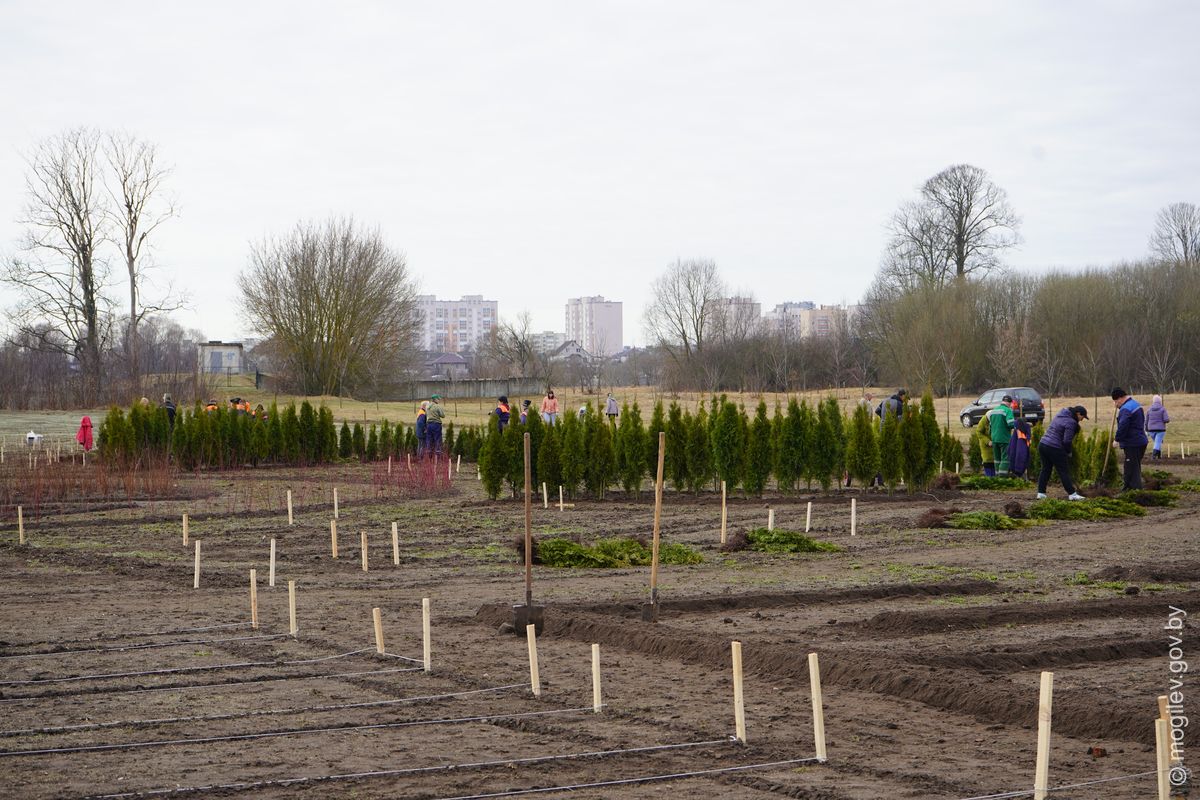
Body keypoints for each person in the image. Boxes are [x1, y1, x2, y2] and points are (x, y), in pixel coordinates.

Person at [1036, 405, 1088, 500]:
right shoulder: (1071, 422)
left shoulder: (1061, 414)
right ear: (1078, 414)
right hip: (1054, 447)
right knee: (1063, 471)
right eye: (1082, 417)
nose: (1082, 420)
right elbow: (1067, 441)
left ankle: (1041, 493)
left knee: (1045, 469)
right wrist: (1068, 452)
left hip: (1043, 444)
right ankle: (1072, 494)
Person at [1111, 387, 1148, 490]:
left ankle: (1132, 490)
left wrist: (1116, 439)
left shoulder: (1126, 409)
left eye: (1115, 401)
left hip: (1133, 442)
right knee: (1134, 466)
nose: (1115, 404)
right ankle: (1130, 488)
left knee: (1130, 468)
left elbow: (1123, 426)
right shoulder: (1135, 404)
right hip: (1140, 441)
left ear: (1119, 398)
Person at [987, 395, 1018, 475]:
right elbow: (1010, 424)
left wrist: (992, 436)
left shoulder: (994, 410)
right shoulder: (1008, 410)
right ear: (1009, 403)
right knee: (1005, 458)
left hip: (994, 438)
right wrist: (1016, 425)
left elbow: (990, 426)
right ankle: (1002, 477)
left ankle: (997, 476)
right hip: (1004, 438)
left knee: (997, 459)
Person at [1145, 394, 1170, 459]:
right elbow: (1166, 419)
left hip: (1151, 430)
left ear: (1153, 401)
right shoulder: (1162, 409)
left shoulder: (1149, 409)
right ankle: (1153, 456)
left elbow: (1146, 420)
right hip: (1160, 429)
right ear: (1160, 401)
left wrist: (1146, 429)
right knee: (1158, 442)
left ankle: (1159, 456)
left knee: (1157, 442)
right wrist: (1166, 421)